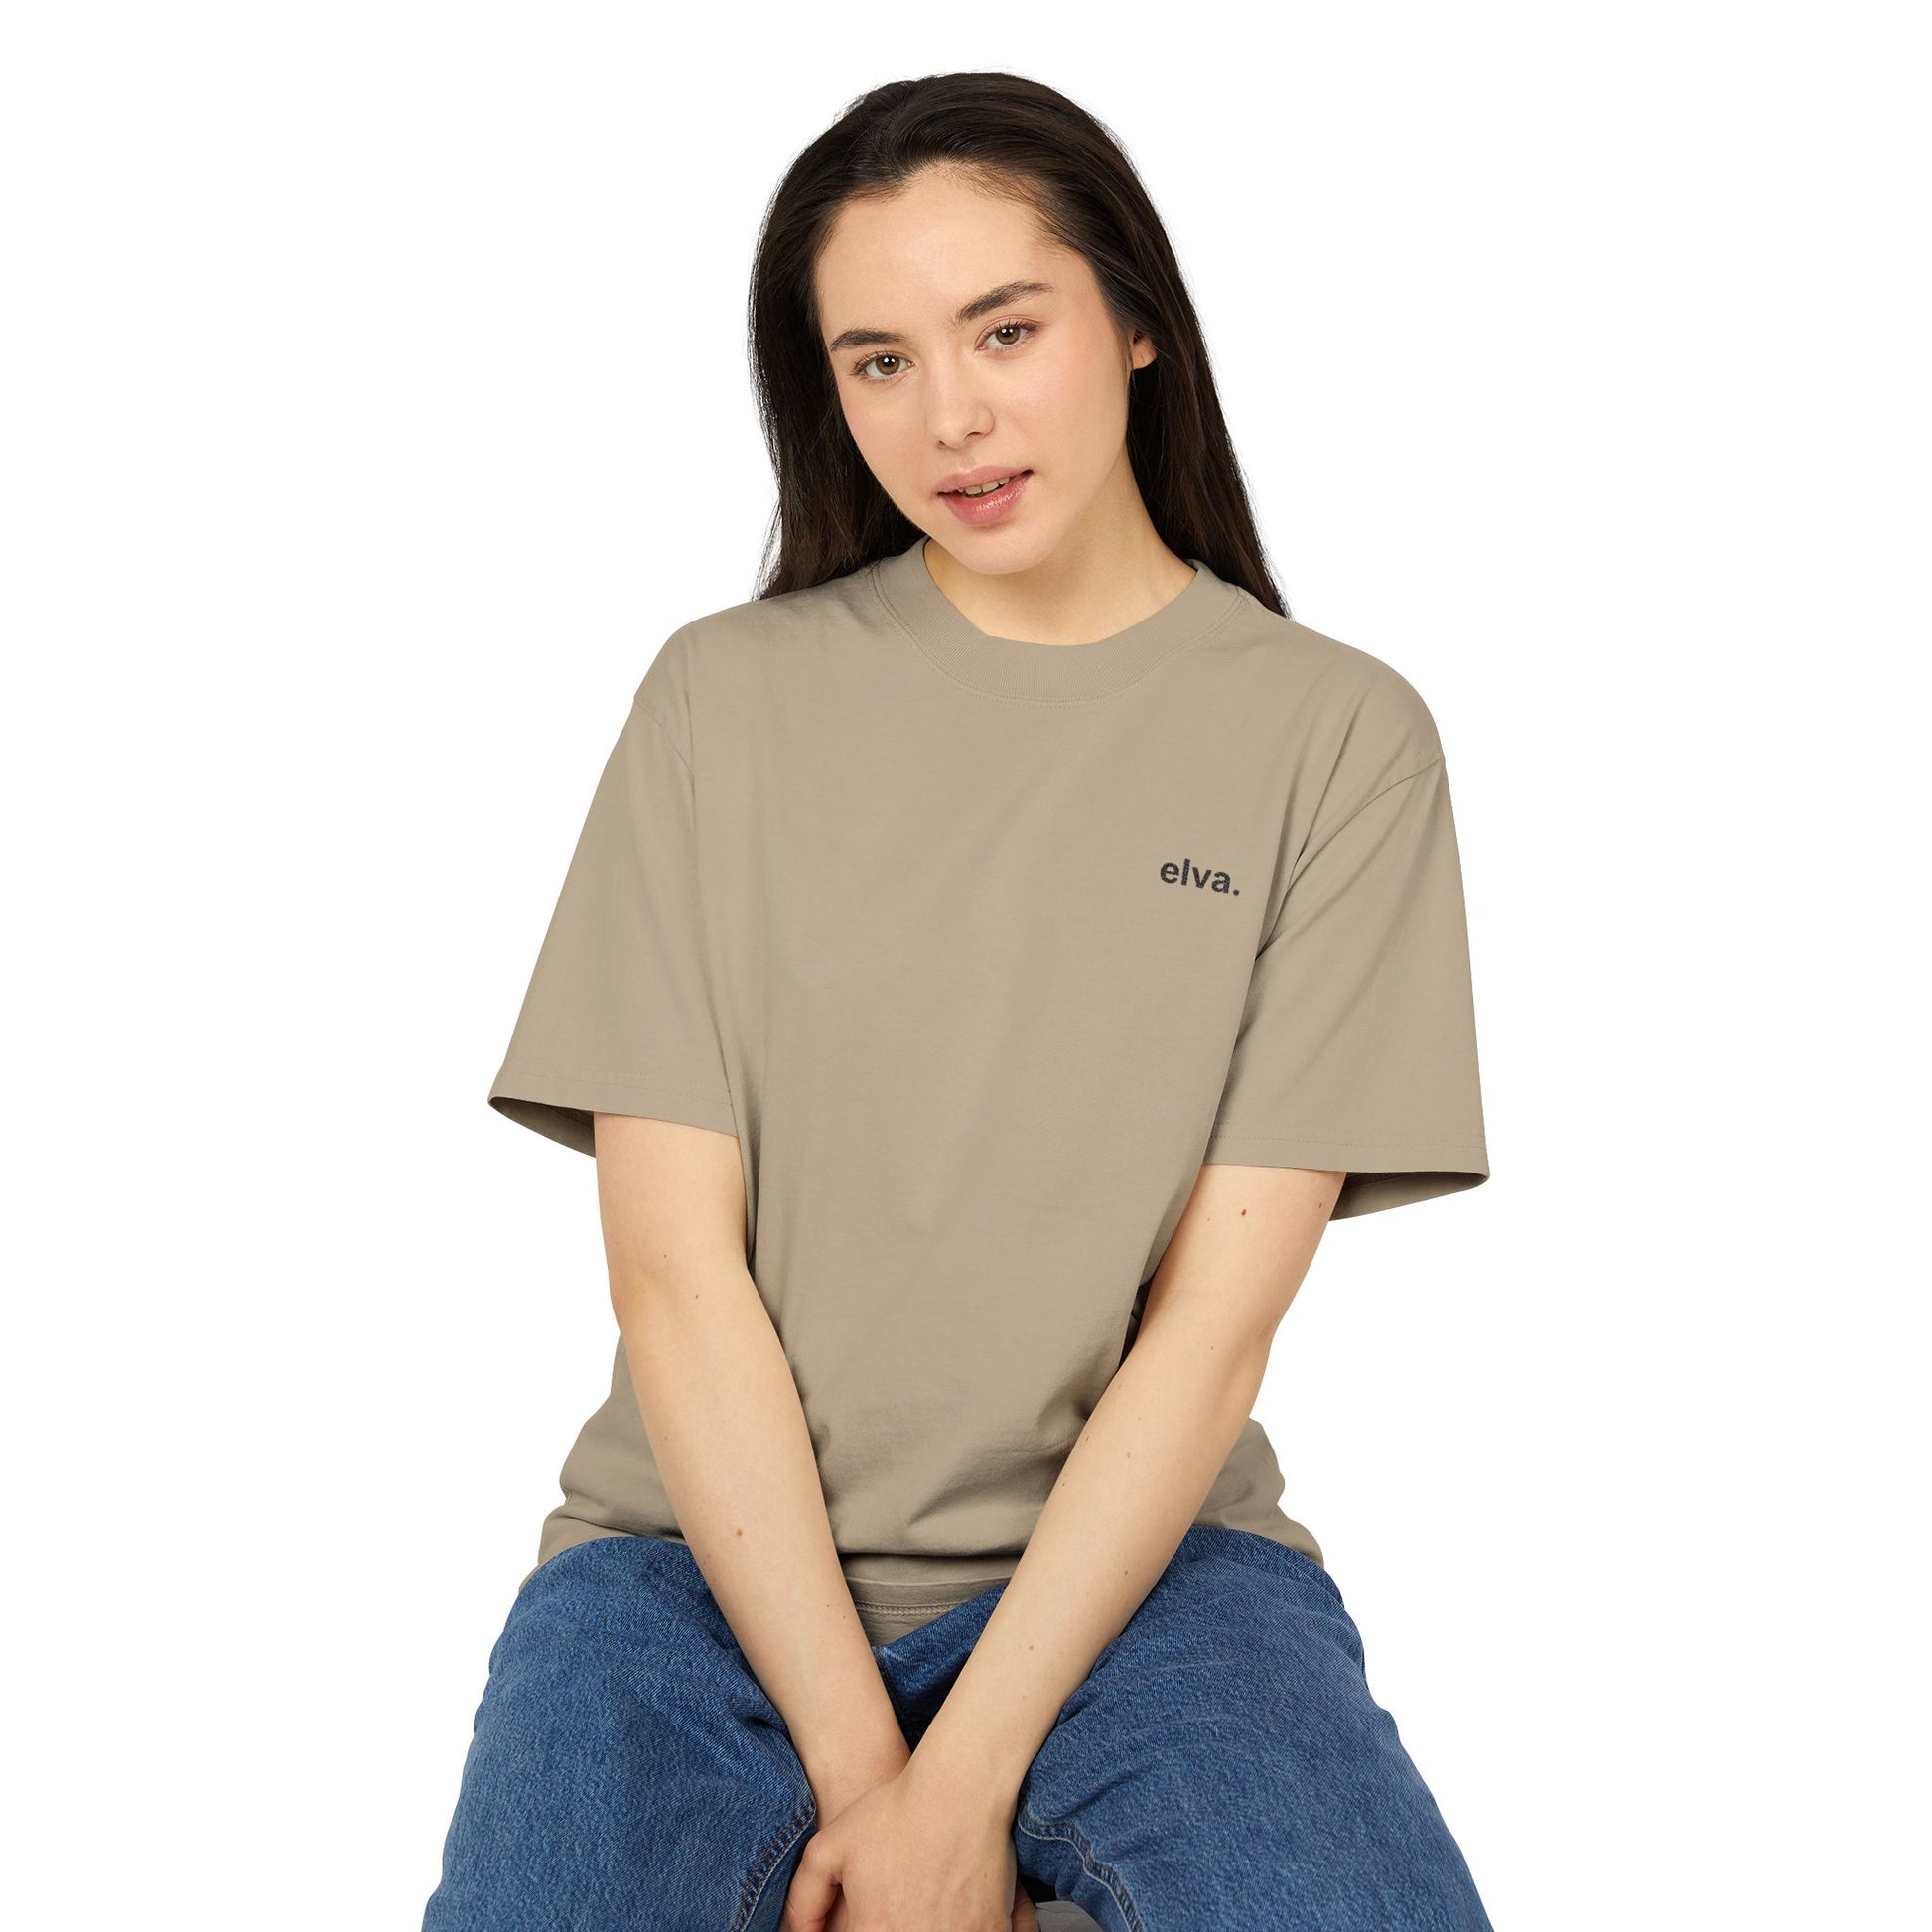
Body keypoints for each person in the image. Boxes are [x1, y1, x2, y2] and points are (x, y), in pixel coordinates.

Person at [423, 69, 1495, 1932]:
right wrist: (876, 1789)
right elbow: (674, 1279)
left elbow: (1210, 1329)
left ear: (1136, 320)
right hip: (689, 1571)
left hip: (1150, 1581)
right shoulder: (721, 703)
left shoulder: (1334, 737)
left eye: (1005, 329)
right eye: (879, 360)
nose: (951, 417)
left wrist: (968, 1777)